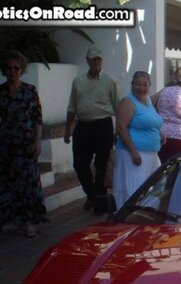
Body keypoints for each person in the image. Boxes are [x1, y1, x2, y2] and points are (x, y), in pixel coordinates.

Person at [0, 50, 48, 237]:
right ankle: (14, 220)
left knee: (28, 182)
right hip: (7, 145)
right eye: (9, 68)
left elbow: (38, 119)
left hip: (27, 144)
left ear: (21, 69)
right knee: (9, 182)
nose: (13, 71)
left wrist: (38, 142)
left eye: (16, 68)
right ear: (4, 71)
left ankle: (29, 221)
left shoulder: (30, 91)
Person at [64, 46, 119, 213]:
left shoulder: (110, 81)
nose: (96, 62)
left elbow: (117, 107)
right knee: (80, 164)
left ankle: (99, 203)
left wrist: (118, 131)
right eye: (93, 59)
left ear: (102, 61)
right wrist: (67, 129)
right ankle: (93, 195)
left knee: (101, 166)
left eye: (98, 59)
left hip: (103, 126)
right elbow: (72, 106)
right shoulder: (78, 81)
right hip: (83, 126)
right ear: (87, 61)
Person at [113, 71, 164, 208]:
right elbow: (121, 128)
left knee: (153, 187)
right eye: (137, 84)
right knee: (134, 188)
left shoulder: (147, 101)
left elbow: (151, 121)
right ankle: (129, 216)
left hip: (151, 154)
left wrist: (160, 133)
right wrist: (133, 151)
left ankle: (146, 215)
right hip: (133, 154)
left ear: (149, 86)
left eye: (145, 85)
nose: (141, 88)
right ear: (132, 85)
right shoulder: (127, 102)